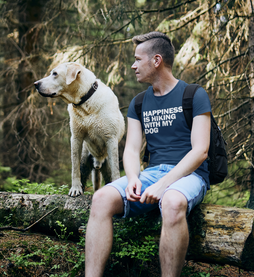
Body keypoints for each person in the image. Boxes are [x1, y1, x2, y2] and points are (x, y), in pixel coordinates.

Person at [84, 31, 212, 277]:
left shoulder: (194, 95)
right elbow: (131, 149)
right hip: (153, 173)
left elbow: (200, 151)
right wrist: (133, 177)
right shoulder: (139, 102)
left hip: (190, 175)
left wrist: (165, 184)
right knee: (100, 199)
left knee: (173, 202)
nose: (133, 66)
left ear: (156, 61)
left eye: (137, 59)